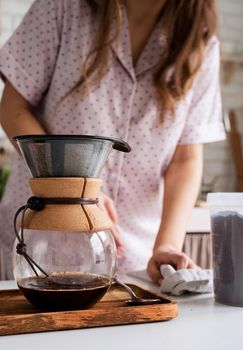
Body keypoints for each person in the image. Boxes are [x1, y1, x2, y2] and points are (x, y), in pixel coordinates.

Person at [0, 0, 225, 282]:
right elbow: (12, 108)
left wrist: (166, 245)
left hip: (136, 261)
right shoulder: (61, 8)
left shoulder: (200, 42)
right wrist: (75, 190)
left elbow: (186, 159)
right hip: (39, 248)